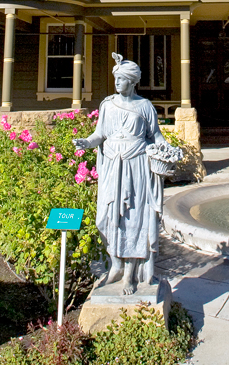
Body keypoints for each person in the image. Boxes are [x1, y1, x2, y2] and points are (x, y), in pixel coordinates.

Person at [74, 52, 174, 294]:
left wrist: (166, 148)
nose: (117, 82)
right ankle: (115, 266)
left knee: (134, 218)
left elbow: (155, 135)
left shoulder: (145, 106)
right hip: (112, 165)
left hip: (136, 166)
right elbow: (100, 134)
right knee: (108, 217)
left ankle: (130, 274)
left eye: (121, 79)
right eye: (116, 79)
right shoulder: (107, 105)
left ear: (132, 81)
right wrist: (87, 142)